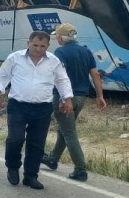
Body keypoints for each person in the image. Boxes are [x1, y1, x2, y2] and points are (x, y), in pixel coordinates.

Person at [0, 30, 74, 190]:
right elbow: (2, 77)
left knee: (36, 144)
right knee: (15, 139)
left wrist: (67, 99)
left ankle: (30, 176)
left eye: (42, 46)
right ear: (28, 43)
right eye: (35, 45)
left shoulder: (54, 61)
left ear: (48, 46)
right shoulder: (14, 58)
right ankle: (13, 167)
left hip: (42, 108)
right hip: (18, 105)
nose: (38, 49)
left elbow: (62, 80)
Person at [42, 23, 107, 182]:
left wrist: (64, 99)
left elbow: (59, 76)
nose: (56, 38)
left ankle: (80, 169)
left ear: (61, 38)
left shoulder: (60, 52)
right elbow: (95, 75)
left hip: (64, 98)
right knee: (65, 129)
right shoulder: (86, 51)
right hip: (81, 97)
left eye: (57, 35)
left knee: (69, 132)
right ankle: (53, 158)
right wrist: (100, 96)